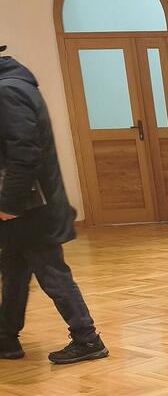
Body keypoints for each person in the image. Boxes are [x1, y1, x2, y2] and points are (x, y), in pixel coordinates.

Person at [0, 49, 107, 364]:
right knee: (16, 269)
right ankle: (6, 337)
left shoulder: (7, 91)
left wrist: (8, 202)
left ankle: (88, 339)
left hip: (31, 208)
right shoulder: (13, 85)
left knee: (51, 271)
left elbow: (24, 153)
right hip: (28, 206)